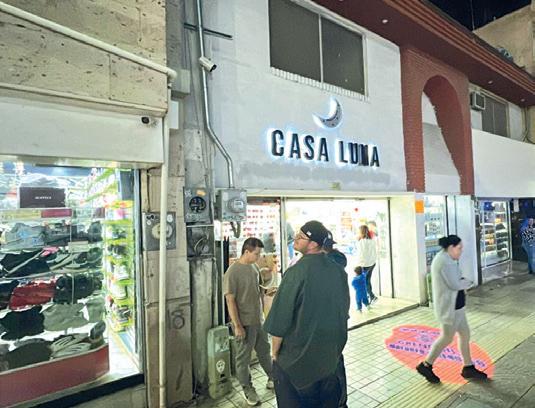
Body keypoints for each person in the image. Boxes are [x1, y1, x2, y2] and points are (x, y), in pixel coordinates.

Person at [264, 221, 350, 408]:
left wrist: (275, 354)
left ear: (313, 244)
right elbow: (343, 312)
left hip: (296, 364)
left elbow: (280, 321)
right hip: (330, 360)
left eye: (301, 236)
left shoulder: (296, 273)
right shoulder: (338, 271)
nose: (295, 238)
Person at [416, 235, 488, 384]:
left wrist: (463, 282)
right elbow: (455, 284)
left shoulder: (447, 258)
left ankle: (468, 366)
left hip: (456, 306)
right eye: (459, 248)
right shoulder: (445, 262)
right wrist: (468, 282)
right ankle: (426, 365)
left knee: (464, 334)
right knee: (447, 337)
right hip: (450, 308)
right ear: (451, 247)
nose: (461, 251)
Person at [223, 238, 273, 406]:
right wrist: (237, 326)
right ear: (246, 252)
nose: (259, 257)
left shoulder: (254, 267)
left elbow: (257, 289)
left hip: (258, 320)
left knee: (264, 351)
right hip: (243, 323)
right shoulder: (232, 272)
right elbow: (230, 300)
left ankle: (273, 377)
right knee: (243, 360)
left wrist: (267, 290)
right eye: (256, 254)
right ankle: (248, 389)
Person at [322, 231, 348, 408]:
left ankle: (339, 402)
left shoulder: (329, 266)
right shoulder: (338, 262)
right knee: (336, 361)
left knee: (335, 363)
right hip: (336, 319)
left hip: (330, 321)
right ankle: (340, 401)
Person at [357, 225, 377, 303]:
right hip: (372, 263)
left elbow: (360, 255)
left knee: (364, 282)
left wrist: (359, 265)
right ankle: (370, 295)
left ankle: (371, 296)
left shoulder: (361, 242)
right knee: (367, 280)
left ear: (361, 232)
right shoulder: (372, 241)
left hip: (364, 264)